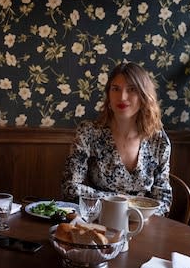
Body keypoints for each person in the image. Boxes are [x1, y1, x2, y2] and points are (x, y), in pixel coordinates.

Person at [62, 61, 172, 216]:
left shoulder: (158, 140)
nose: (122, 97)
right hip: (98, 220)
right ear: (108, 94)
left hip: (143, 224)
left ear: (144, 95)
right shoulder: (89, 132)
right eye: (116, 89)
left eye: (132, 89)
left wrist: (134, 214)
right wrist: (125, 202)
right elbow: (70, 188)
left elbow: (164, 199)